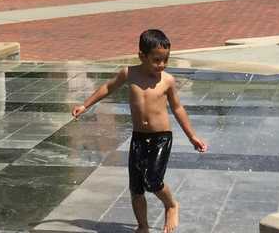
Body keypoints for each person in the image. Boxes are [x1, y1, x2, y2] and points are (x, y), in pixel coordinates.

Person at [72, 29, 207, 233]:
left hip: (161, 138)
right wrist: (85, 105)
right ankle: (142, 226)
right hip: (138, 137)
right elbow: (108, 87)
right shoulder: (129, 73)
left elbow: (178, 108)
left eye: (165, 60)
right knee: (136, 187)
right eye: (156, 60)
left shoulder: (167, 80)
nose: (161, 65)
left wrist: (192, 136)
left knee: (153, 180)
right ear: (141, 56)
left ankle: (171, 205)